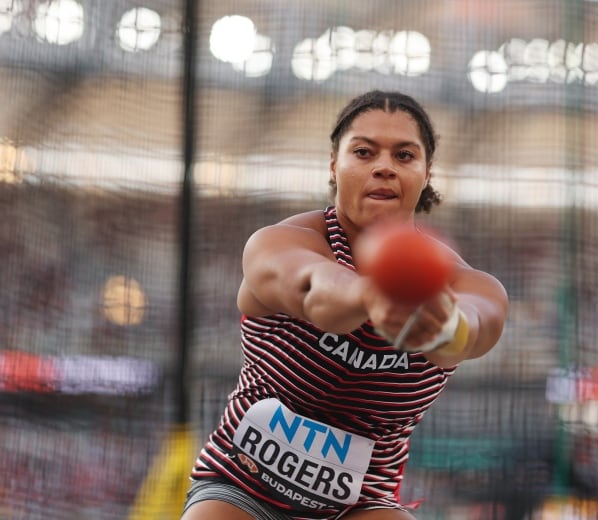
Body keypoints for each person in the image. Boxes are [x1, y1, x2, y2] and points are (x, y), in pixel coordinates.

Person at [181, 90, 509, 520]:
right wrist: (373, 295)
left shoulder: (467, 282)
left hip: (359, 505)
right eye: (364, 151)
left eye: (404, 156)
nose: (384, 167)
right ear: (334, 164)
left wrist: (444, 327)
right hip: (241, 485)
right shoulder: (278, 242)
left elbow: (474, 329)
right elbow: (315, 291)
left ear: (427, 173)